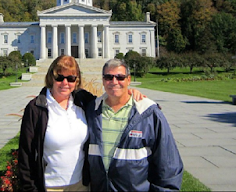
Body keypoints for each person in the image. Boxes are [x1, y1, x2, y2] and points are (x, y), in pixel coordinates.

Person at [18, 55, 145, 192]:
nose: (65, 83)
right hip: (50, 186)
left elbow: (109, 100)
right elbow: (25, 155)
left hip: (81, 185)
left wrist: (128, 93)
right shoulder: (37, 108)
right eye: (59, 77)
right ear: (51, 78)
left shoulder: (83, 101)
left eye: (71, 78)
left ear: (76, 80)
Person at [86, 58, 183, 191]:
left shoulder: (148, 113)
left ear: (128, 80)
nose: (114, 82)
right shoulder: (91, 110)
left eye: (120, 77)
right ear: (103, 80)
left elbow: (168, 165)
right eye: (109, 77)